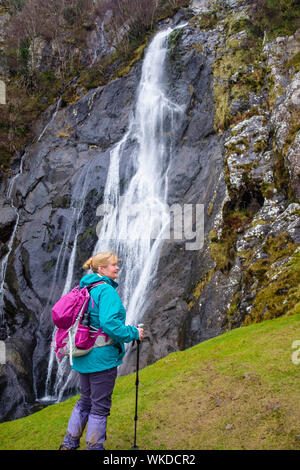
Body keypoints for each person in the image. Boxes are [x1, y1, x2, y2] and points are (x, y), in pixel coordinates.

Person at [59, 250, 143, 450]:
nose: (117, 267)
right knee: (100, 405)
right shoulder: (106, 291)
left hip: (82, 355)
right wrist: (133, 332)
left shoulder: (85, 287)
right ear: (101, 269)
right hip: (101, 358)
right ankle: (95, 447)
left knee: (85, 400)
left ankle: (69, 443)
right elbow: (109, 324)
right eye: (113, 264)